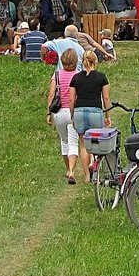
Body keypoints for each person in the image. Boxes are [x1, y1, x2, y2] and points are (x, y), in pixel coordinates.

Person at [69, 49, 112, 182]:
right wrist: (108, 115)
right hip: (95, 111)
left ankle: (87, 176)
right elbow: (106, 98)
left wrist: (72, 114)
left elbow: (71, 99)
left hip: (80, 111)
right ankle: (93, 162)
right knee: (96, 142)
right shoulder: (101, 77)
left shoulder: (76, 78)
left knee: (83, 145)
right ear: (96, 61)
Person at [47, 48, 81, 184]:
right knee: (73, 142)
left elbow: (51, 94)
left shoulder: (56, 75)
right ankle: (73, 171)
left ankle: (67, 169)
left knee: (64, 141)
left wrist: (49, 113)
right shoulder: (79, 75)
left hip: (59, 112)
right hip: (73, 111)